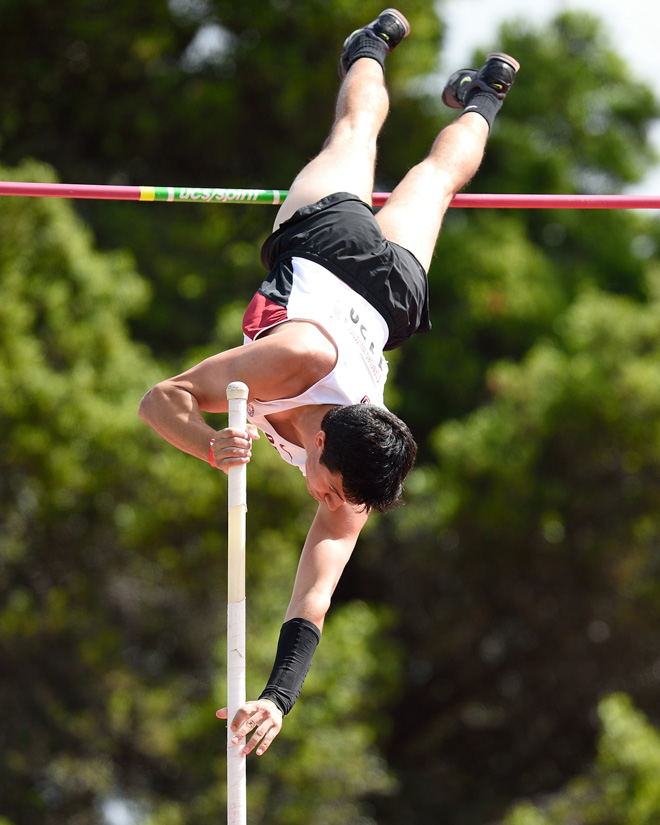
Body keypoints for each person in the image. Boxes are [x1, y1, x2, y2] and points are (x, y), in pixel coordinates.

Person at [139, 8, 519, 757]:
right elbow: (161, 398)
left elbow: (315, 593)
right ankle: (369, 46)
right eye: (331, 489)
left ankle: (489, 95)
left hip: (388, 300)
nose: (329, 503)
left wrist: (280, 696)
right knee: (354, 136)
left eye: (338, 499)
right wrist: (205, 442)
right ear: (323, 441)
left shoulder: (360, 473)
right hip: (336, 247)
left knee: (437, 179)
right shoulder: (295, 363)